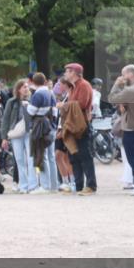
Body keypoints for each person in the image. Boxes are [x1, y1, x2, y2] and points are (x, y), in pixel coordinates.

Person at [108, 64, 134, 195]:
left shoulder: (131, 90)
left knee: (133, 158)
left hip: (131, 127)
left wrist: (116, 84)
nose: (121, 77)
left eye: (123, 74)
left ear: (130, 74)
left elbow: (111, 98)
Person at [61, 63, 96, 195]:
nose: (65, 74)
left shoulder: (84, 85)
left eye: (67, 71)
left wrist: (63, 106)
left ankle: (91, 186)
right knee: (74, 156)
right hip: (73, 125)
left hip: (81, 125)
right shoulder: (74, 86)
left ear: (74, 73)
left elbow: (82, 104)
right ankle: (79, 185)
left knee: (85, 155)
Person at [1, 79, 38, 194]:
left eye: (27, 87)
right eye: (24, 87)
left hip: (29, 131)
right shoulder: (11, 102)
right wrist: (4, 137)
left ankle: (33, 185)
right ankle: (23, 185)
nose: (26, 89)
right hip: (16, 132)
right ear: (18, 89)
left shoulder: (32, 100)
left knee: (31, 158)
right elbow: (5, 119)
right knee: (19, 159)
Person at [25, 73, 58, 193]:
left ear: (33, 82)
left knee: (41, 155)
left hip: (39, 127)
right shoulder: (50, 93)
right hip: (50, 126)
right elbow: (55, 112)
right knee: (51, 157)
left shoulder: (37, 95)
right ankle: (54, 185)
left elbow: (31, 111)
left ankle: (45, 186)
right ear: (45, 81)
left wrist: (27, 105)